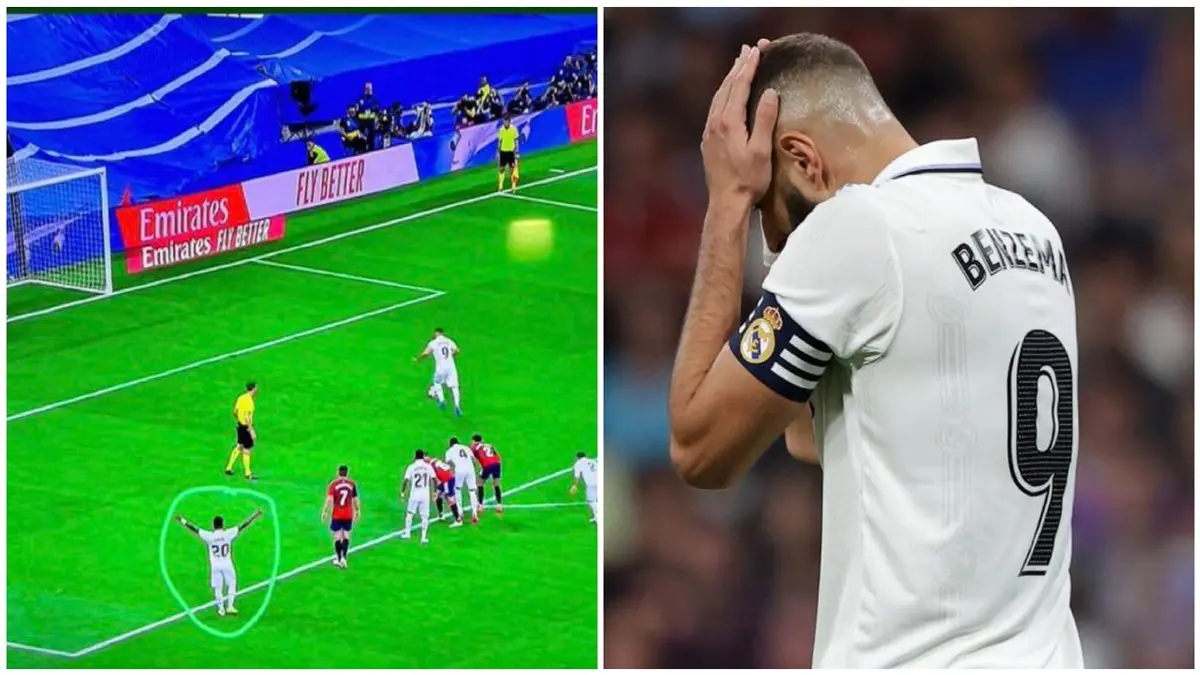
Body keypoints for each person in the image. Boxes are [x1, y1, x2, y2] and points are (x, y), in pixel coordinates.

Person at [667, 35, 1081, 668]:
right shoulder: (1034, 229)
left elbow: (702, 451)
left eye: (768, 214)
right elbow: (808, 437)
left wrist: (726, 203)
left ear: (804, 159)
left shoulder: (861, 228)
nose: (774, 240)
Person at [175, 509, 263, 616]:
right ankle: (230, 606)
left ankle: (221, 609)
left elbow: (195, 529)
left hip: (215, 565)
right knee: (232, 583)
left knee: (218, 587)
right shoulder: (228, 534)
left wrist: (182, 520)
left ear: (213, 525)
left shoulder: (209, 536)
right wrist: (254, 516)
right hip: (227, 564)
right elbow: (243, 525)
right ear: (222, 524)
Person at [320, 465, 360, 569]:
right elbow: (355, 498)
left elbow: (329, 499)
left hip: (337, 514)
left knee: (337, 536)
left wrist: (324, 511)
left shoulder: (334, 484)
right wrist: (357, 510)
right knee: (346, 535)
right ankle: (344, 559)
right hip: (348, 514)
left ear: (338, 473)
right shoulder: (351, 484)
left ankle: (338, 559)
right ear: (347, 473)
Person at [415, 328, 462, 416]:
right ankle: (457, 405)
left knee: (436, 382)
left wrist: (418, 359)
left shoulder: (433, 343)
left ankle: (441, 400)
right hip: (451, 366)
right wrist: (451, 355)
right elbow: (457, 350)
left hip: (441, 367)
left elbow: (426, 353)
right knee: (455, 387)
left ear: (436, 333)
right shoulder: (449, 341)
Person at [400, 450, 436, 545]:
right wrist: (434, 492)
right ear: (423, 457)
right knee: (425, 516)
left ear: (415, 456)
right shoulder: (428, 466)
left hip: (414, 494)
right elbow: (434, 479)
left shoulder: (411, 467)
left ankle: (407, 533)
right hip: (425, 495)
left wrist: (402, 492)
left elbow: (406, 480)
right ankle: (423, 537)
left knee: (410, 513)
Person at [224, 382, 258, 479]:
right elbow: (247, 417)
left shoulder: (241, 398)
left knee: (239, 446)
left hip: (240, 426)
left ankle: (228, 468)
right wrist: (251, 430)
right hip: (246, 427)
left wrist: (239, 420)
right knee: (247, 450)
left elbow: (235, 411)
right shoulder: (249, 402)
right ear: (253, 389)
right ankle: (248, 473)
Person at [445, 436, 481, 523]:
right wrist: (474, 469)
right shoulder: (466, 447)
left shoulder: (449, 451)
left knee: (457, 490)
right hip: (470, 469)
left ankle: (460, 511)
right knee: (472, 491)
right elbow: (473, 459)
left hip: (459, 470)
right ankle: (475, 513)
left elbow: (448, 464)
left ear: (451, 444)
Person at [470, 433, 503, 514]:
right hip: (497, 463)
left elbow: (472, 459)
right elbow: (496, 455)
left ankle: (480, 505)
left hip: (487, 465)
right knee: (496, 484)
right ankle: (499, 504)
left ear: (474, 441)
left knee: (480, 483)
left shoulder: (474, 448)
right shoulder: (489, 445)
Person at [428, 456, 462, 527]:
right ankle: (441, 514)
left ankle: (458, 520)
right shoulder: (435, 461)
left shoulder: (430, 466)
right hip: (447, 478)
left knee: (449, 499)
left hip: (447, 480)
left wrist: (435, 492)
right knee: (438, 496)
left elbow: (435, 480)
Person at [569, 451, 598, 524]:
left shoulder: (578, 464)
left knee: (591, 501)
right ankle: (596, 517)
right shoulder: (592, 461)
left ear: (577, 457)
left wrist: (574, 485)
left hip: (591, 484)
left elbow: (577, 476)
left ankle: (599, 517)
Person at [497, 116, 520, 193]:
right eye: (504, 121)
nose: (505, 123)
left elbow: (516, 141)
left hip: (511, 152)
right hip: (503, 151)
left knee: (512, 169)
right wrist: (498, 152)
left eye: (507, 122)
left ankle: (513, 186)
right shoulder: (501, 130)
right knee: (501, 169)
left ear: (509, 122)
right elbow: (500, 141)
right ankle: (500, 186)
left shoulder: (514, 129)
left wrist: (517, 152)